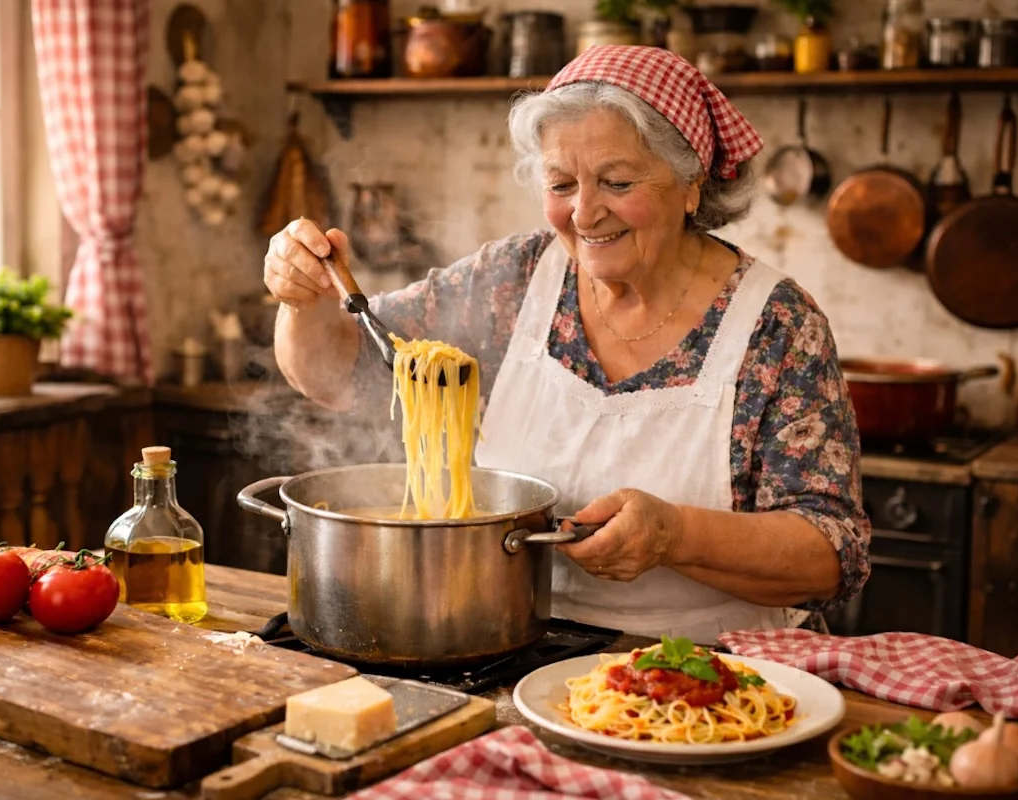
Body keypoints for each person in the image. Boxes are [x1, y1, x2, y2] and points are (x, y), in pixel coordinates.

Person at [263, 46, 870, 642]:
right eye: (561, 184)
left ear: (691, 184)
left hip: (722, 673)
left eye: (617, 181)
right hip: (511, 643)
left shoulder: (777, 326)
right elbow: (342, 372)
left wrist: (675, 536)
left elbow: (830, 553)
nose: (584, 213)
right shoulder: (515, 277)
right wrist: (303, 300)